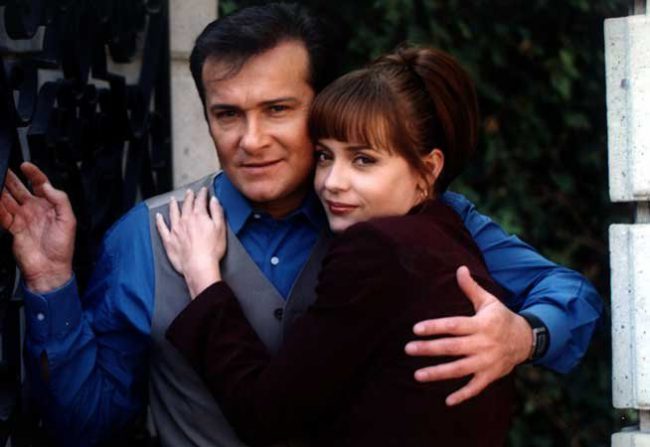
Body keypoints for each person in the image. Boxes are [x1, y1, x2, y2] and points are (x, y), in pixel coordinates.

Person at [0, 3, 601, 446]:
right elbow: (87, 426)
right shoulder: (144, 237)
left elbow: (571, 294)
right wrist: (51, 281)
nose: (252, 140)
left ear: (325, 106)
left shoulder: (416, 219)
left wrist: (524, 336)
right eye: (227, 114)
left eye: (278, 110)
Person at [162, 45, 515, 446]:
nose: (332, 182)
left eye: (364, 160)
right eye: (325, 156)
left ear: (428, 169)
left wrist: (204, 279)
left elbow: (267, 415)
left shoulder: (378, 248)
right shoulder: (450, 238)